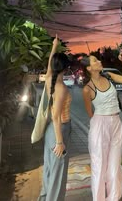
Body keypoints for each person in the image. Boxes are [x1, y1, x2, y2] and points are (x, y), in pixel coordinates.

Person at [82, 51, 122, 201]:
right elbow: (90, 112)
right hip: (99, 124)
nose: (99, 62)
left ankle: (114, 198)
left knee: (114, 166)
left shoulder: (109, 76)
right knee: (99, 166)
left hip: (116, 122)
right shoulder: (87, 89)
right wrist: (100, 123)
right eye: (95, 61)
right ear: (89, 68)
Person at [38, 35, 72, 201]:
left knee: (50, 169)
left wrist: (54, 47)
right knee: (58, 174)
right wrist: (60, 142)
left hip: (51, 130)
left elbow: (49, 65)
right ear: (65, 69)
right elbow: (56, 116)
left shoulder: (50, 79)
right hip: (60, 130)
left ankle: (44, 198)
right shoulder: (61, 88)